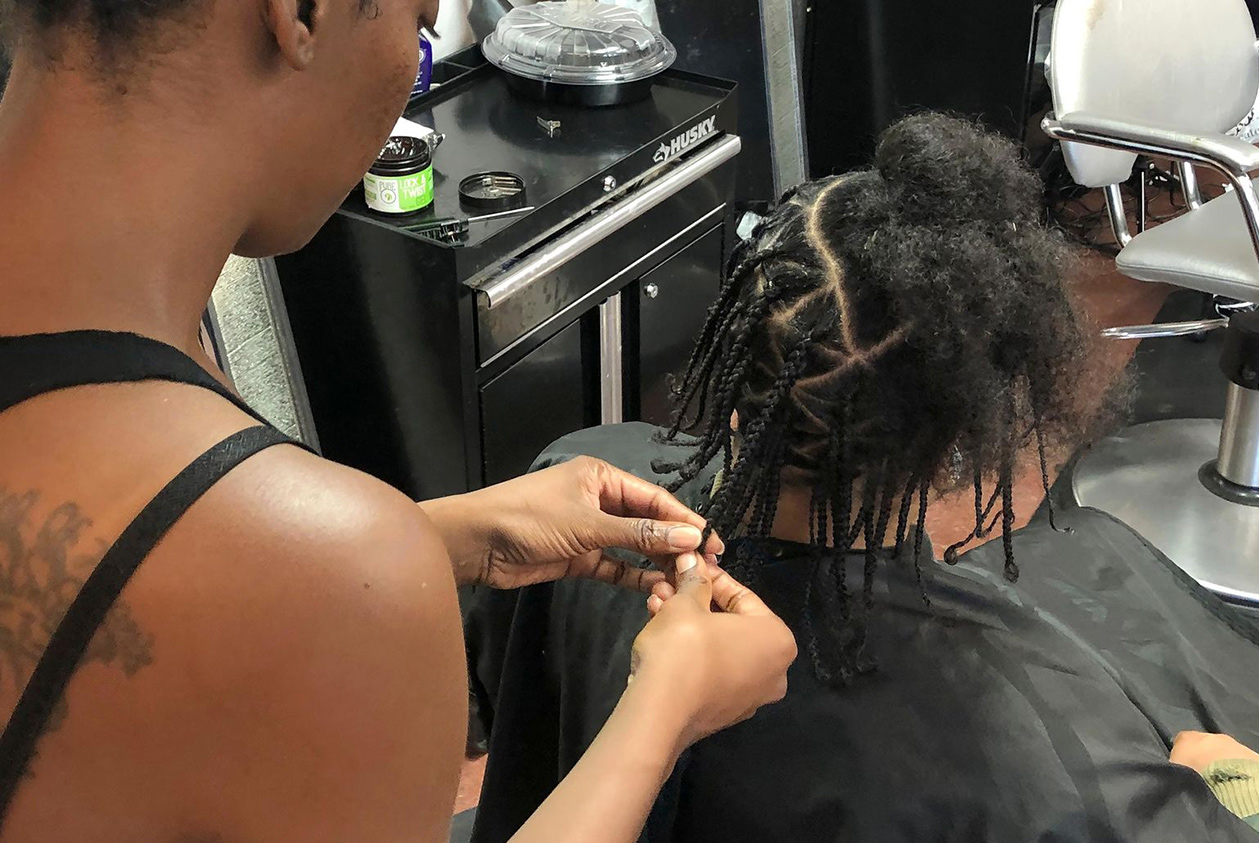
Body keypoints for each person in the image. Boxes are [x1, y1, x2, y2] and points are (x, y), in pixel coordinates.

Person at [0, 1, 797, 840]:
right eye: (418, 27)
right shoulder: (325, 570)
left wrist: (444, 538)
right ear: (299, 12)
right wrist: (664, 710)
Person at [466, 113, 1259, 841]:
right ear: (961, 431)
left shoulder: (574, 485)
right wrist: (1219, 787)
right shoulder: (1060, 778)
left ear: (742, 350)